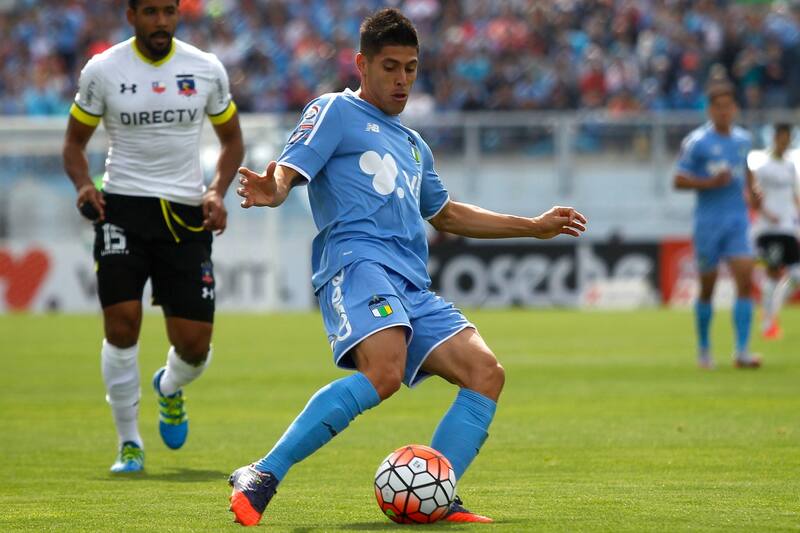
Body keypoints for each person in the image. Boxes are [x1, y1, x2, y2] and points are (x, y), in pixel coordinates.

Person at [228, 8, 587, 527]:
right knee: (384, 372)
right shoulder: (334, 111)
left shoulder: (414, 145)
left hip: (410, 283)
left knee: (486, 373)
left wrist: (531, 225)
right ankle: (262, 473)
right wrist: (276, 188)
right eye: (390, 66)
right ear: (362, 64)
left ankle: (439, 494)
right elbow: (291, 166)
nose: (402, 79)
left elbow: (446, 213)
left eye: (411, 68)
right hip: (357, 263)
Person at [62, 0, 244, 473]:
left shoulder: (205, 69)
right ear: (132, 16)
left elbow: (232, 142)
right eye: (150, 12)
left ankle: (169, 386)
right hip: (121, 207)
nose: (160, 21)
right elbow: (73, 144)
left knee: (195, 345)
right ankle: (129, 444)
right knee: (121, 325)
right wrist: (84, 185)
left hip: (185, 217)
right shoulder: (102, 70)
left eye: (168, 11)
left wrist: (216, 191)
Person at [673, 79, 762, 369]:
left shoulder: (742, 140)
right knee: (708, 287)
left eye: (728, 106)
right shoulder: (697, 143)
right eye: (718, 107)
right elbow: (678, 180)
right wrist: (710, 182)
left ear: (734, 108)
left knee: (746, 281)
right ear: (710, 110)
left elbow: (745, 170)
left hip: (737, 219)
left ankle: (742, 351)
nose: (724, 112)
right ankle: (704, 348)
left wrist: (753, 192)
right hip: (708, 222)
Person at [753, 123, 800, 339]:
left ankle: (773, 312)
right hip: (769, 229)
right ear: (775, 138)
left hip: (788, 228)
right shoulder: (763, 167)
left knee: (796, 274)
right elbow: (754, 195)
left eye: (788, 138)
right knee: (773, 274)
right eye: (782, 138)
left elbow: (795, 196)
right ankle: (767, 323)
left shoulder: (790, 167)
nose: (785, 142)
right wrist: (765, 212)